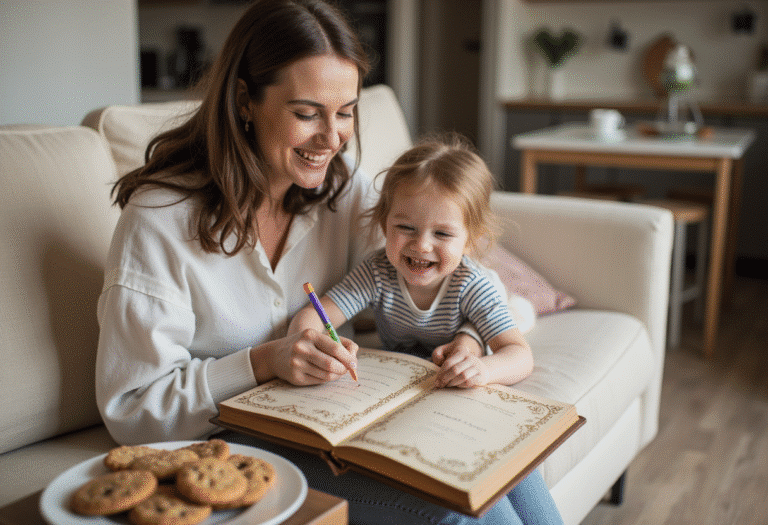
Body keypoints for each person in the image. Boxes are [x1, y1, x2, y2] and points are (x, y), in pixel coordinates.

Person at [95, 1, 563, 523]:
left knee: (508, 466)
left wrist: (473, 339)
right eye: (306, 113)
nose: (332, 138)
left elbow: (452, 271)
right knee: (465, 507)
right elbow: (133, 409)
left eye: (345, 113)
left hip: (329, 418)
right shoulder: (159, 220)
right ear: (245, 101)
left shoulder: (338, 190)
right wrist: (264, 361)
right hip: (229, 443)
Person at [288, 134, 534, 389]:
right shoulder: (377, 271)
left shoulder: (472, 285)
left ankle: (510, 308)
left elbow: (520, 355)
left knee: (514, 311)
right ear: (385, 224)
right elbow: (311, 315)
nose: (422, 245)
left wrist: (483, 369)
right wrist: (312, 346)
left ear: (471, 241)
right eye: (406, 227)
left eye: (442, 233)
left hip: (478, 312)